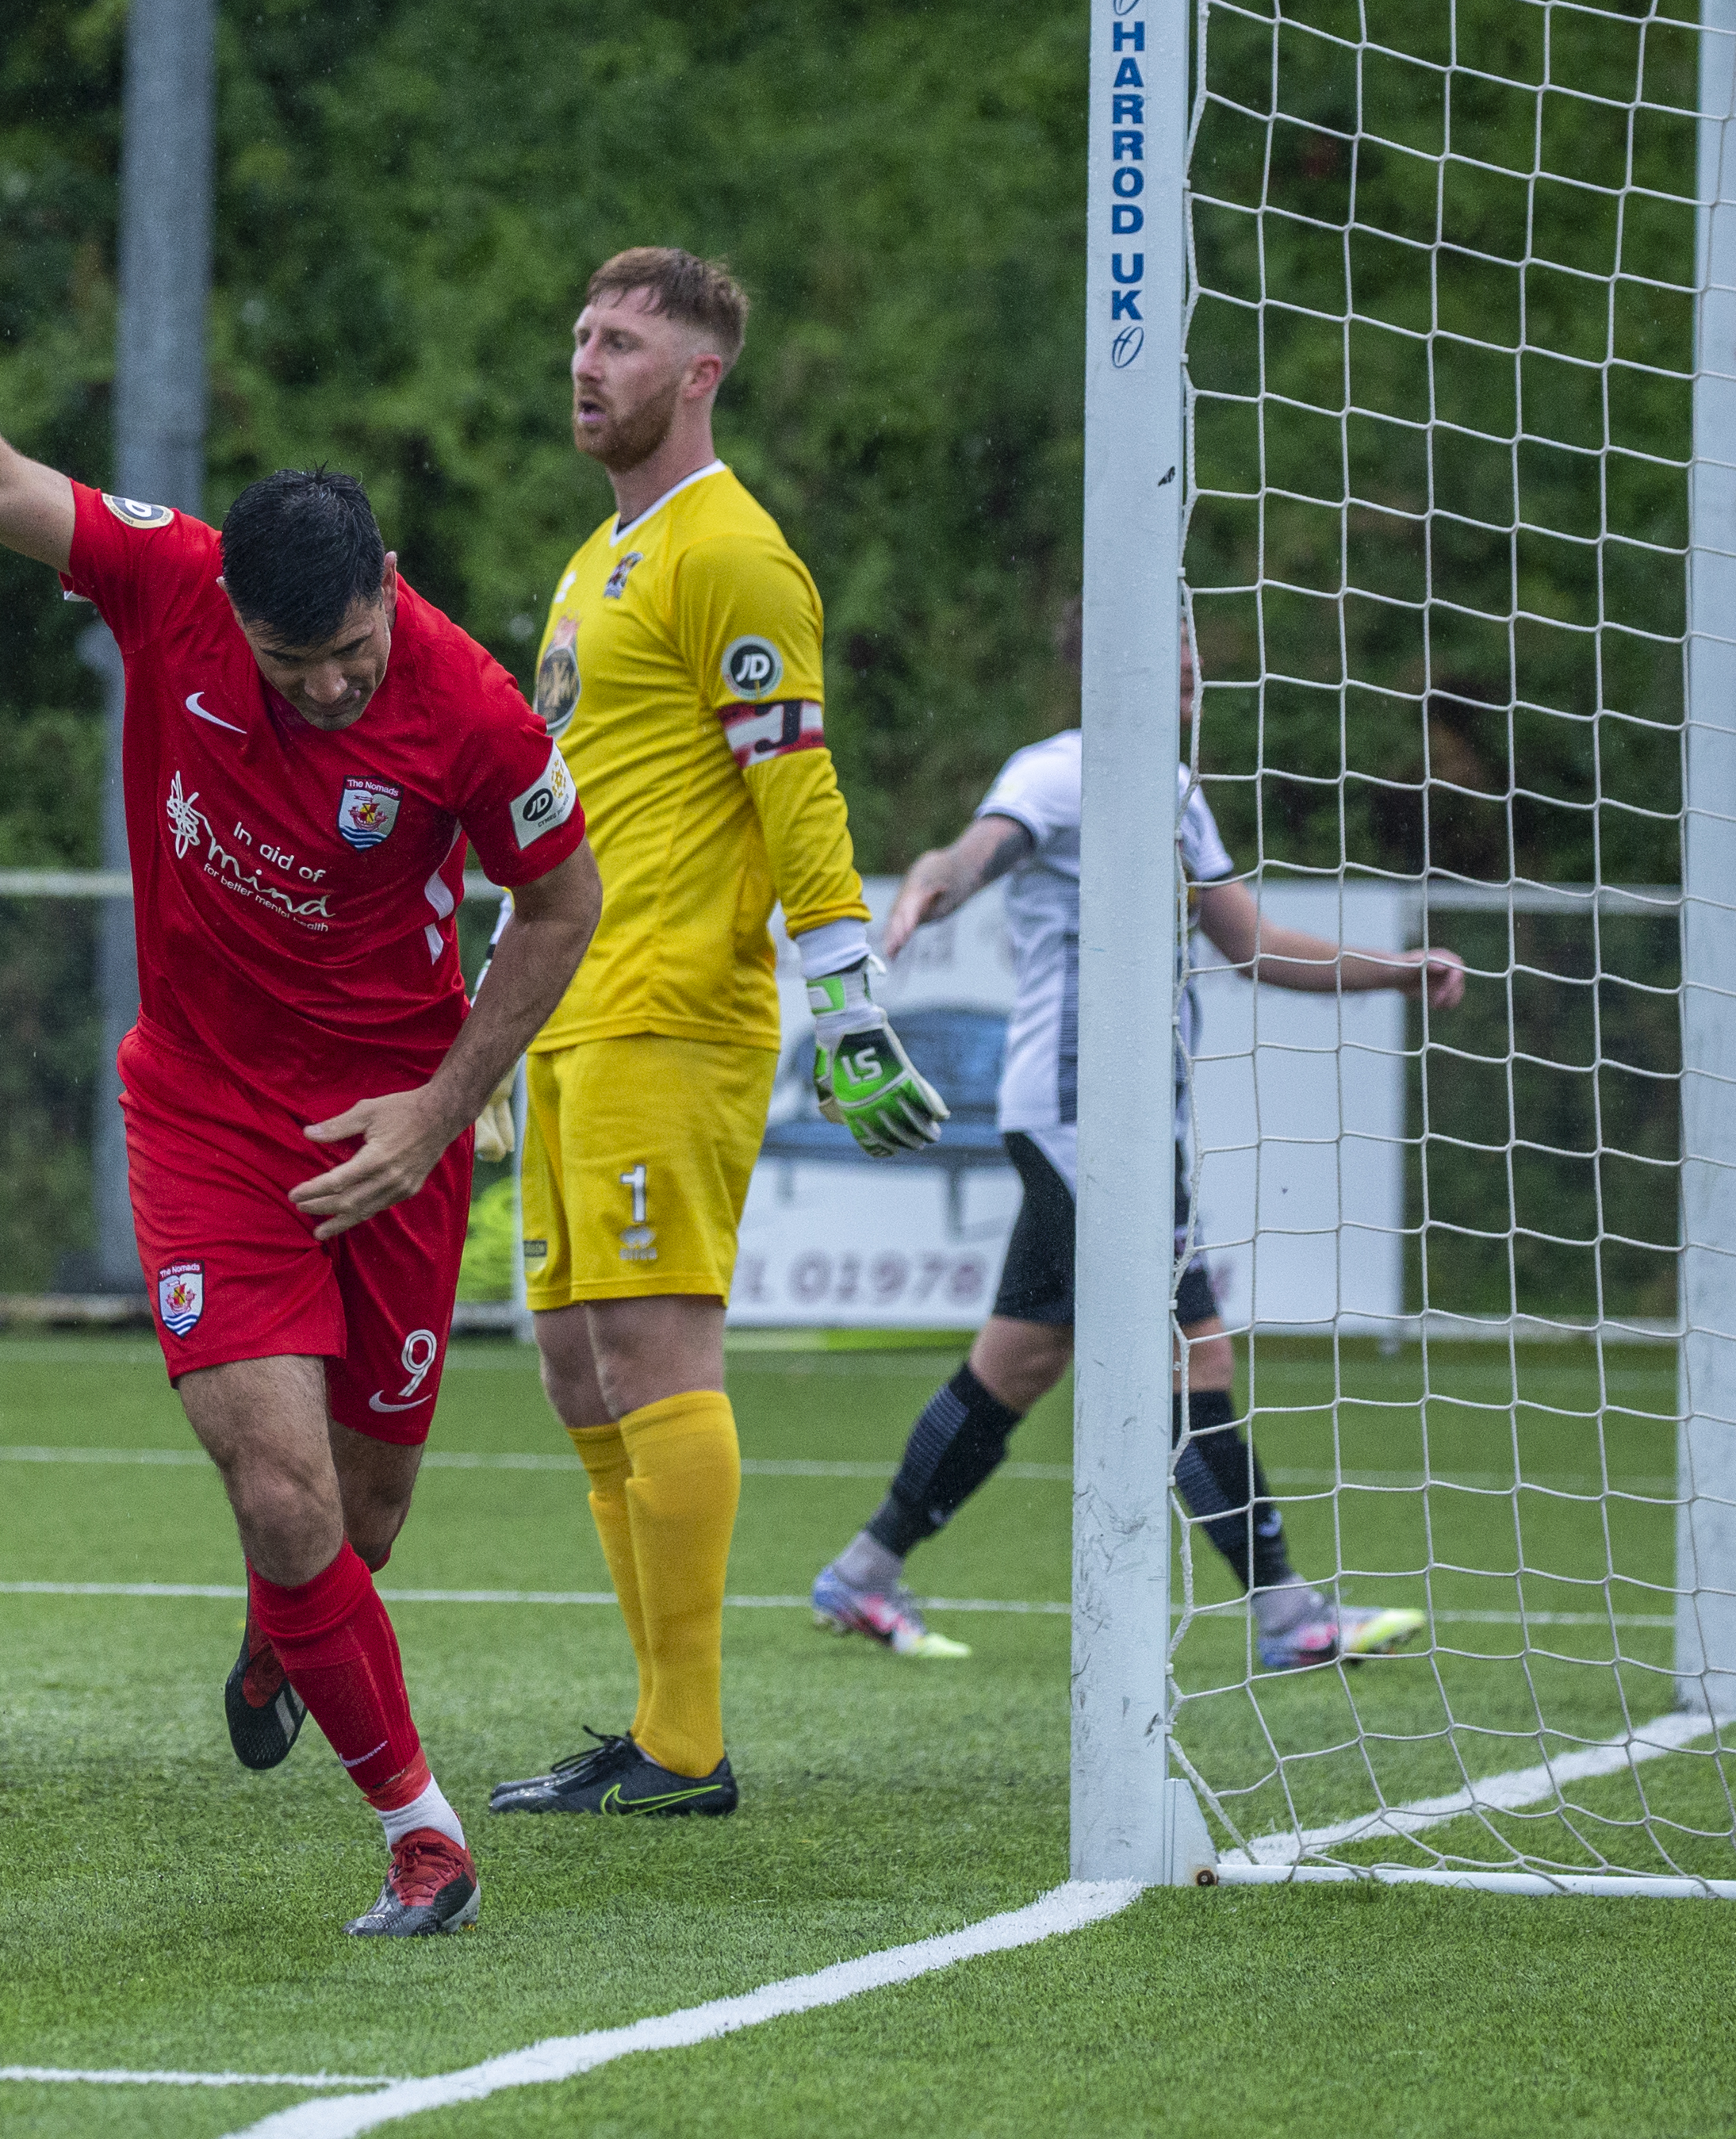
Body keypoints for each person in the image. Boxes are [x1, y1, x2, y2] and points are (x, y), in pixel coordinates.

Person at [0, 290, 601, 1936]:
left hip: (389, 1130)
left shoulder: (466, 707)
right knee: (279, 1489)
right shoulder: (165, 579)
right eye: (291, 659)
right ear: (228, 614)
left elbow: (559, 907)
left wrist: (440, 1104)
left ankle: (281, 1629)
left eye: (351, 652)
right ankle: (420, 1831)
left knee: (360, 1518)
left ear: (393, 588)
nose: (327, 686)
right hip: (199, 1115)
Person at [488, 248, 945, 1823]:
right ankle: (651, 1719)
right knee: (569, 1360)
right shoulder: (590, 559)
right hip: (569, 1009)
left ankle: (685, 1741)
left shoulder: (731, 551)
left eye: (617, 338)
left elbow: (792, 786)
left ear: (698, 374)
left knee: (651, 1346)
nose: (583, 359)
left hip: (672, 1002)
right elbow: (556, 808)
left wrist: (846, 1002)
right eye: (577, 331)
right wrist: (485, 1026)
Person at [810, 616, 1464, 1668]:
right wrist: (932, 884)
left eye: (1197, 667)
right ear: (1112, 674)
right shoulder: (1059, 772)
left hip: (1123, 1121)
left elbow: (1246, 943)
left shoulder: (1175, 792)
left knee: (1019, 1359)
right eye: (1174, 667)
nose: (1192, 681)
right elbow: (976, 850)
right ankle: (1288, 1614)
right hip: (1080, 1121)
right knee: (1192, 1349)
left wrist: (1388, 970)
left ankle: (864, 1572)